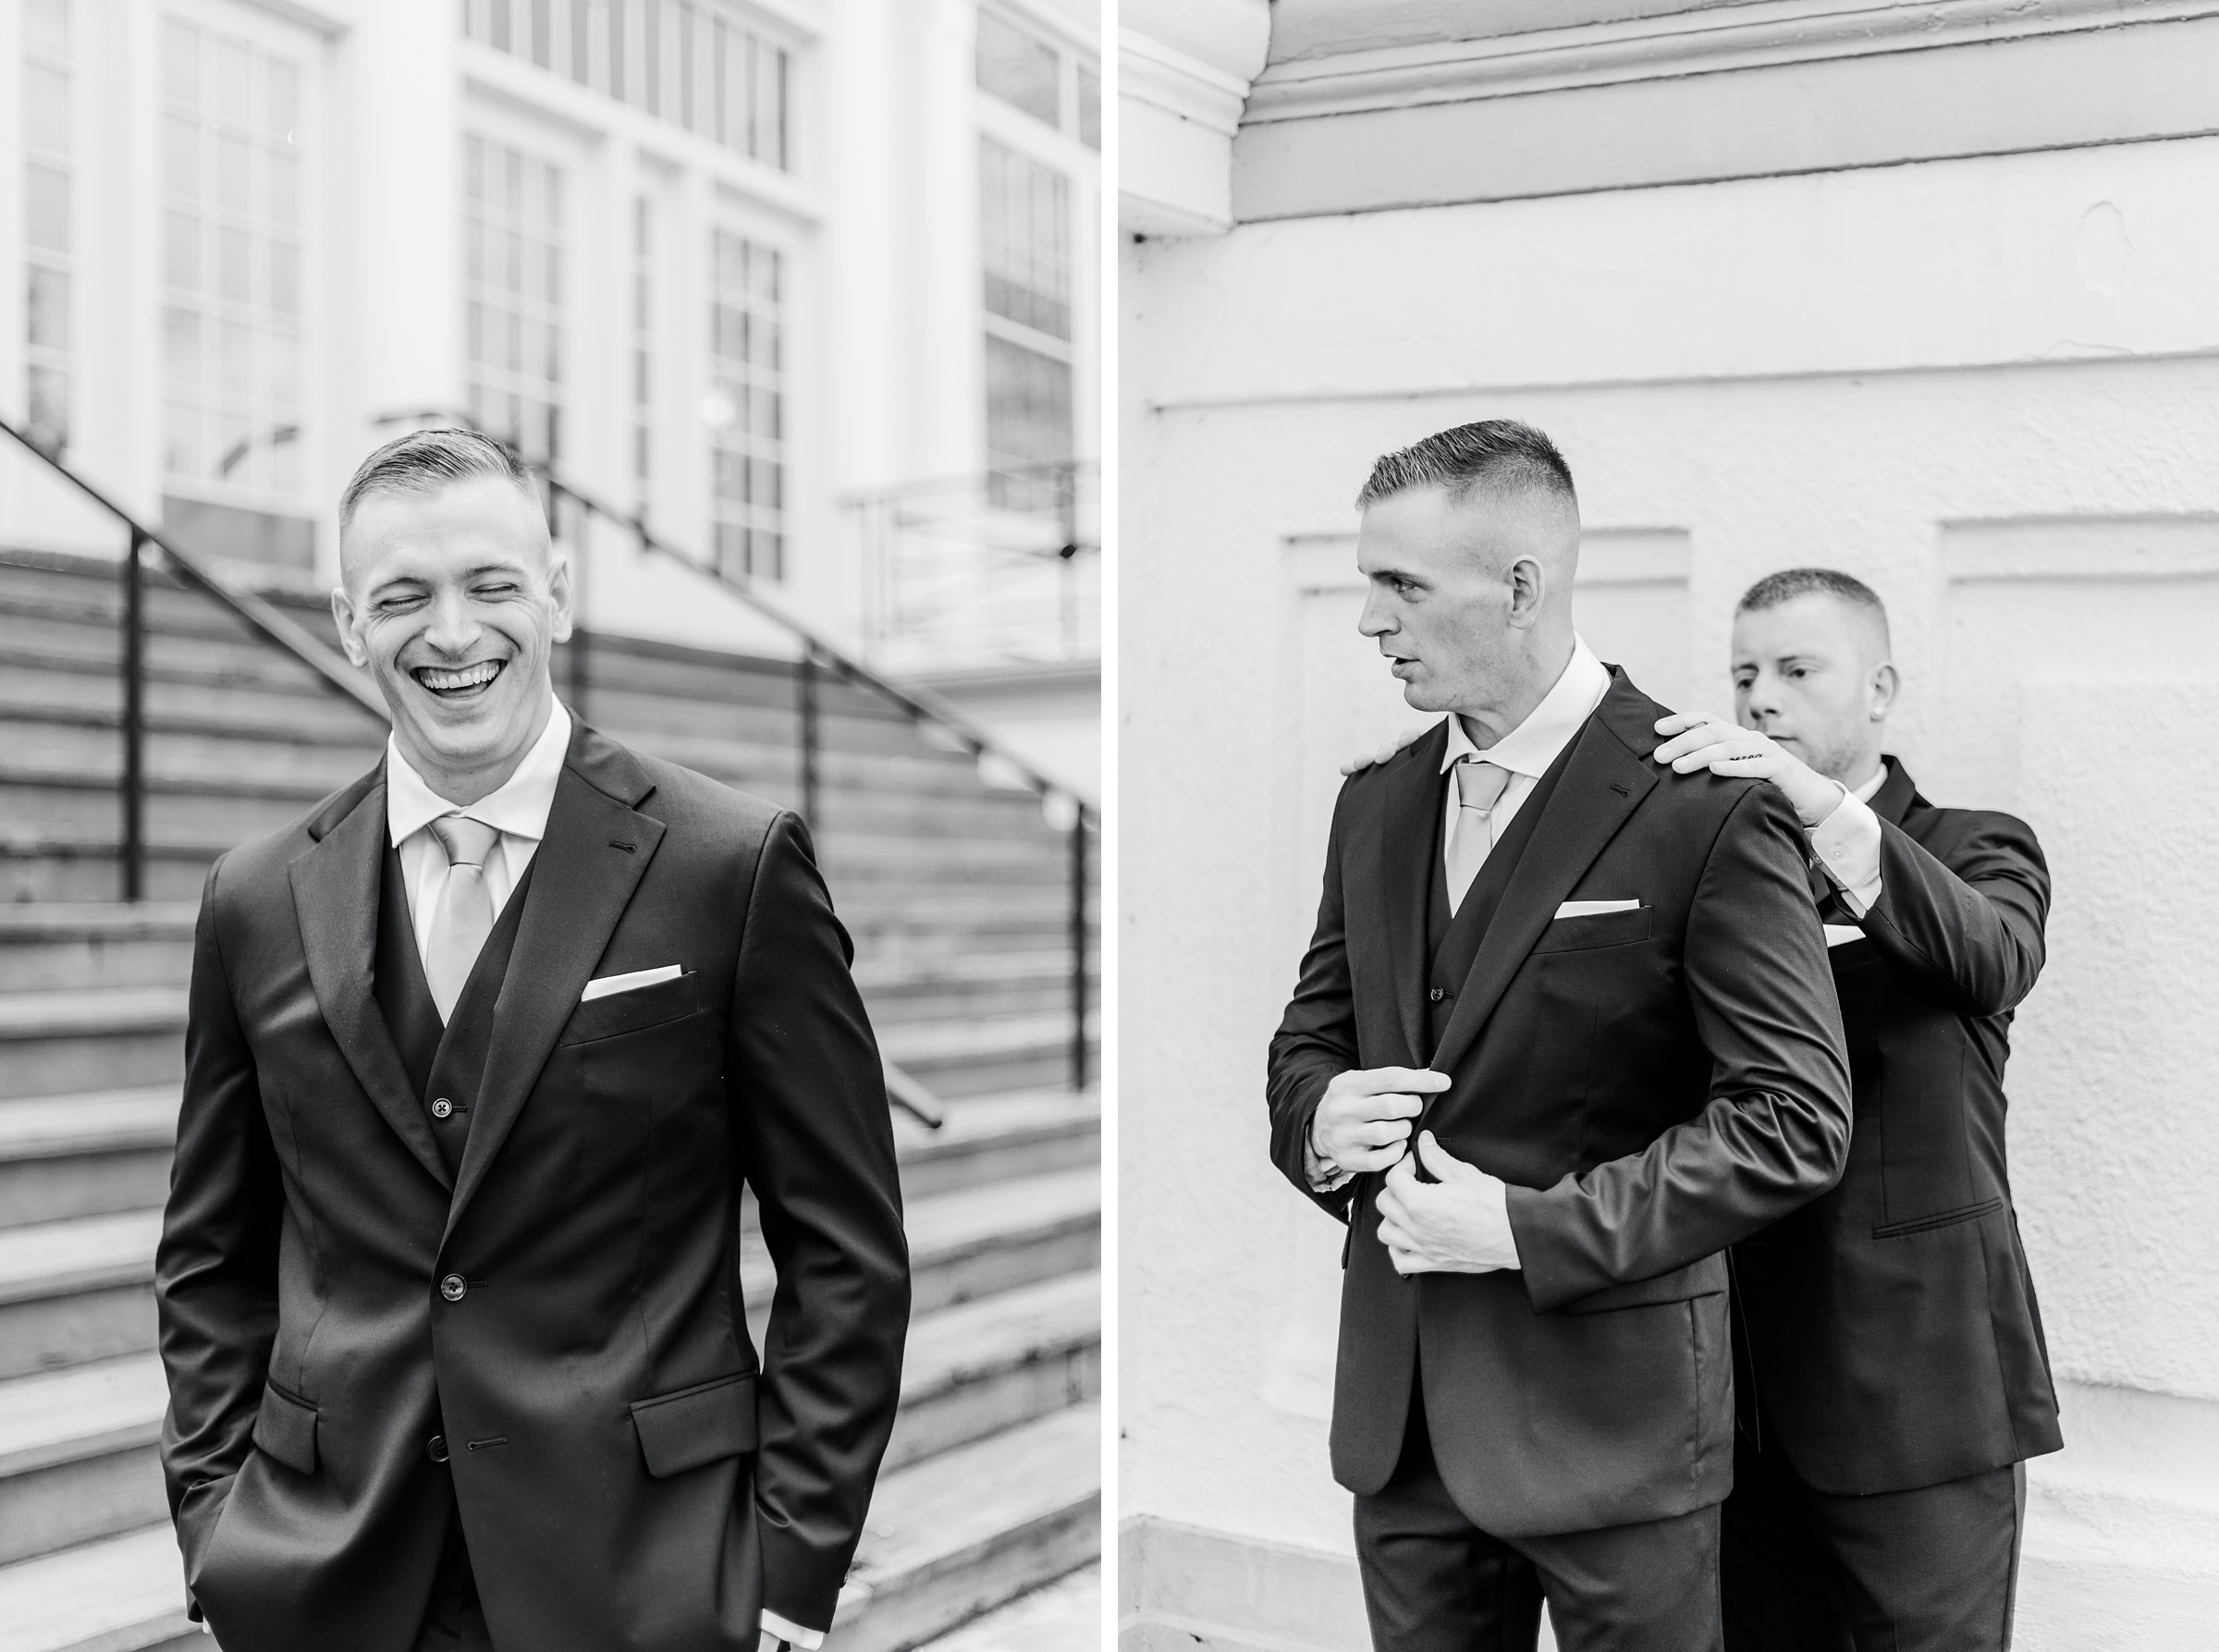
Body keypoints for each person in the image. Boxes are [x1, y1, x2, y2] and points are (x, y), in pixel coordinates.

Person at [155, 430, 910, 1652]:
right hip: (327, 1574)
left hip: (647, 1577)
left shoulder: (729, 863)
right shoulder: (252, 898)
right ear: (350, 624)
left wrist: (788, 1570)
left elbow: (846, 1252)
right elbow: (210, 1254)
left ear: (556, 586)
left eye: (490, 583)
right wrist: (216, 1531)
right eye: (401, 597)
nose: (451, 632)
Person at [1270, 419, 1853, 1652]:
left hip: (1618, 1434)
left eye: (1403, 586)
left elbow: (1793, 1121)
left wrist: (1524, 1229)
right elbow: (1307, 1041)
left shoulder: (1704, 800)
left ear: (1522, 586)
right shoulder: (1373, 802)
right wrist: (1319, 1119)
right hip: (1406, 1427)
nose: (1372, 621)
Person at [1649, 569, 2060, 1651]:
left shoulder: (1977, 844)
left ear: (1878, 688)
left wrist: (1823, 811)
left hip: (1921, 1395)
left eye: (1794, 669)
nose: (1760, 700)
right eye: (1744, 675)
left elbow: (1994, 954)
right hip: (1731, 1399)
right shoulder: (1710, 870)